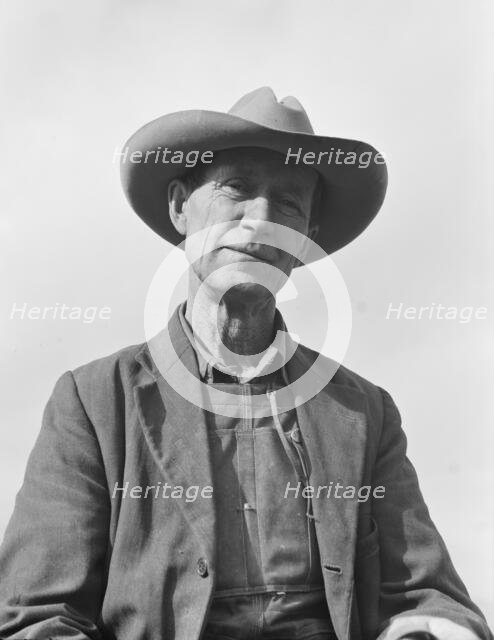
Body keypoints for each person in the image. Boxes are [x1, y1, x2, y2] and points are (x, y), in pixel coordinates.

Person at [0, 87, 491, 640]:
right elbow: (37, 618)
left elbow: (427, 597)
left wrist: (429, 629)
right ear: (180, 206)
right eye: (237, 188)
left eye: (287, 205)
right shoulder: (94, 402)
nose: (260, 221)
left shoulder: (363, 412)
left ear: (305, 239)